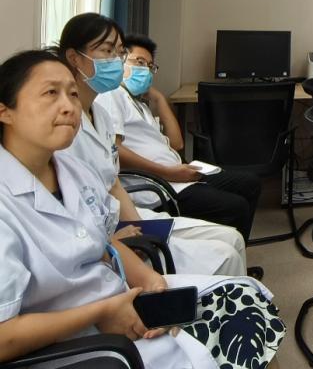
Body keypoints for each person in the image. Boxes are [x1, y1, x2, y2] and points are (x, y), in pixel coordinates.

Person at [0, 49, 285, 368]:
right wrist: (102, 312)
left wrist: (150, 281)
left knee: (247, 300)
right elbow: (3, 337)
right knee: (227, 341)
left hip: (117, 300)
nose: (68, 106)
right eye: (51, 93)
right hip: (80, 344)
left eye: (72, 94)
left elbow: (103, 242)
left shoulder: (72, 171)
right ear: (5, 111)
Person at [59, 13, 246, 277]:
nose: (116, 60)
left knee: (233, 238)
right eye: (107, 51)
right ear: (74, 58)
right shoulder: (67, 122)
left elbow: (113, 182)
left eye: (119, 52)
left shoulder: (100, 114)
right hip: (114, 220)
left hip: (124, 213)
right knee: (226, 251)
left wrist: (138, 227)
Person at [97, 34, 261, 241]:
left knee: (250, 183)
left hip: (176, 174)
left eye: (150, 66)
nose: (145, 70)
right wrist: (169, 172)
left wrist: (159, 99)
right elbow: (115, 151)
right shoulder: (111, 95)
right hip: (159, 184)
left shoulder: (139, 104)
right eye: (139, 62)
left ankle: (234, 248)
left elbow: (177, 143)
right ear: (120, 60)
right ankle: (227, 249)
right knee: (236, 207)